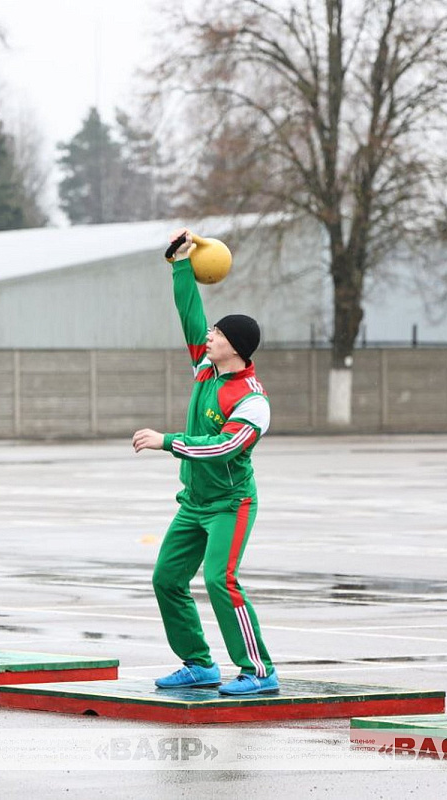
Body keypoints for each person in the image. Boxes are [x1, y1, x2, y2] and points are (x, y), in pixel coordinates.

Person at [131, 228, 277, 696]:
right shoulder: (205, 367)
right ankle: (198, 663)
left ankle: (259, 670)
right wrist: (179, 264)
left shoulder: (252, 400)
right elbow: (189, 314)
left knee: (220, 579)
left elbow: (222, 447)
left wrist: (167, 441)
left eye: (218, 333)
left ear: (236, 346)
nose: (209, 336)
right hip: (193, 502)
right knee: (166, 579)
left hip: (230, 504)